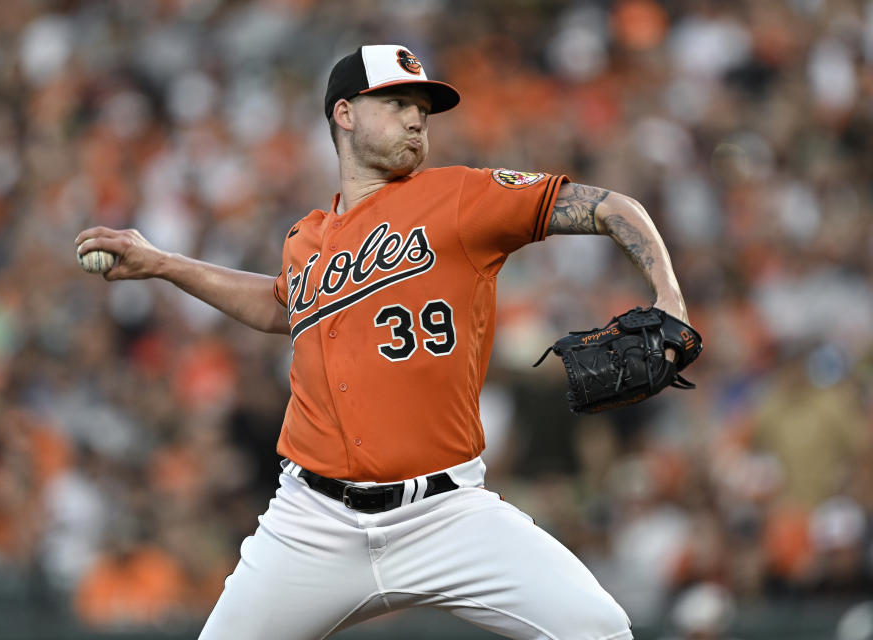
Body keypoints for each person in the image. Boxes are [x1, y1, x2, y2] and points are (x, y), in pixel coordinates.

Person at [76, 44, 690, 640]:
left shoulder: (459, 198)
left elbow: (611, 206)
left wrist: (669, 297)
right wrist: (163, 264)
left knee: (600, 631)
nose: (416, 118)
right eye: (396, 102)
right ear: (344, 114)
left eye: (422, 109)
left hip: (445, 513)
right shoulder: (307, 238)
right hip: (312, 521)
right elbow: (280, 306)